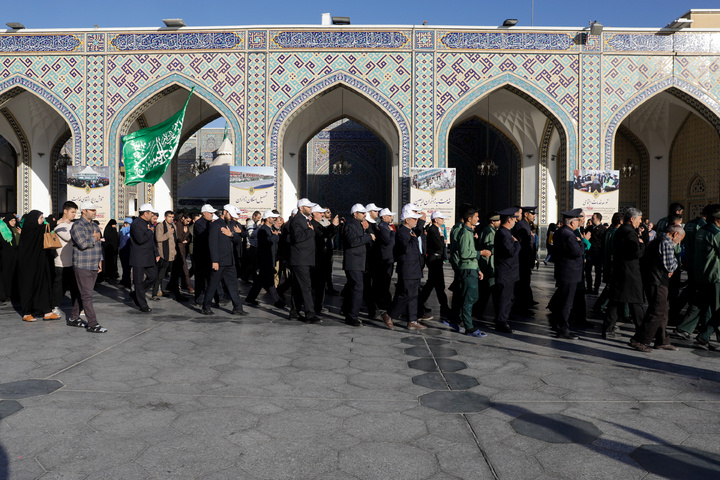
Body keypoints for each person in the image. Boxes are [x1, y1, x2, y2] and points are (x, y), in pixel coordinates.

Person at [631, 225, 684, 352]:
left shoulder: (657, 240)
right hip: (658, 281)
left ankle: (662, 340)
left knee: (663, 311)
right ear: (675, 234)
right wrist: (677, 264)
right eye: (680, 239)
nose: (679, 242)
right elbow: (670, 265)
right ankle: (640, 340)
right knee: (657, 311)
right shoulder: (666, 243)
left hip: (655, 279)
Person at [602, 208, 646, 338]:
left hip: (619, 270)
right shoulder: (630, 234)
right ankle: (642, 332)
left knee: (615, 301)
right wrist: (642, 244)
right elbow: (636, 253)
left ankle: (608, 328)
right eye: (639, 219)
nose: (640, 222)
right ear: (632, 219)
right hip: (630, 273)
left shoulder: (620, 231)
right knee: (636, 303)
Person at [382, 208, 426, 331]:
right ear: (407, 220)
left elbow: (418, 231)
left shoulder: (410, 231)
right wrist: (413, 239)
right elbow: (406, 248)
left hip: (414, 269)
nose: (416, 221)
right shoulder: (402, 232)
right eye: (414, 219)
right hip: (407, 269)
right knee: (405, 295)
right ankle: (389, 314)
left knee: (413, 296)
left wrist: (421, 222)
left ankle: (412, 320)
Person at [446, 205, 486, 337]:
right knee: (468, 297)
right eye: (476, 217)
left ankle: (457, 319)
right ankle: (468, 326)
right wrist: (481, 253)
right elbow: (462, 252)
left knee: (468, 296)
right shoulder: (462, 231)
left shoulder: (467, 231)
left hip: (470, 267)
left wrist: (477, 268)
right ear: (469, 218)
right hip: (465, 268)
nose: (478, 219)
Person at [201, 205, 248, 316]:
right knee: (213, 285)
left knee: (233, 286)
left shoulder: (231, 224)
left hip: (230, 261)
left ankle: (237, 307)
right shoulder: (215, 225)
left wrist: (231, 234)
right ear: (225, 212)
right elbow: (212, 244)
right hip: (220, 262)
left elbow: (237, 240)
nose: (232, 218)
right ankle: (206, 306)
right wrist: (215, 260)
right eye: (230, 215)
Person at [548, 209, 586, 340]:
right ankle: (563, 329)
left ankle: (557, 324)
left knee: (562, 300)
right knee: (566, 303)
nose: (578, 222)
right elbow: (577, 252)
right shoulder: (569, 235)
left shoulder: (560, 232)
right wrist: (581, 241)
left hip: (563, 271)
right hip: (570, 273)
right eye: (577, 220)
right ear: (572, 222)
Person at [69, 202, 107, 333]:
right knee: (87, 295)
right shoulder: (77, 226)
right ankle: (92, 323)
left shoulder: (94, 225)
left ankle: (74, 318)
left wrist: (100, 260)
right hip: (82, 265)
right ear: (84, 211)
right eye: (92, 210)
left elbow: (98, 245)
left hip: (93, 264)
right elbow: (82, 243)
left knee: (83, 293)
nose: (94, 212)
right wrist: (94, 238)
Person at [18, 210, 57, 321]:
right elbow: (41, 229)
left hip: (40, 263)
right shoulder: (29, 229)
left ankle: (47, 311)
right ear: (33, 220)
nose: (42, 220)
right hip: (29, 266)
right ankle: (27, 313)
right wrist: (58, 222)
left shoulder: (37, 230)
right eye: (40, 218)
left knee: (44, 285)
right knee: (29, 287)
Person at [342, 204, 375, 327]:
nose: (364, 215)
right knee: (357, 288)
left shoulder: (359, 225)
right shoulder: (350, 225)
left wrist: (366, 232)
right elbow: (353, 242)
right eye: (362, 213)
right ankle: (352, 316)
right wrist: (368, 236)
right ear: (355, 214)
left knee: (353, 288)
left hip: (359, 262)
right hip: (353, 263)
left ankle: (347, 311)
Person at [692, 207, 720, 351]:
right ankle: (705, 335)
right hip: (715, 275)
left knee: (709, 307)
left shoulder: (701, 231)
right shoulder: (716, 233)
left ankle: (705, 336)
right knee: (717, 308)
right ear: (717, 220)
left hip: (702, 274)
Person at [245, 210, 285, 309]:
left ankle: (250, 298)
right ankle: (277, 301)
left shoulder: (269, 228)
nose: (274, 219)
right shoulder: (263, 230)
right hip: (265, 259)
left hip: (268, 258)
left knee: (260, 281)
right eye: (273, 218)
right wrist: (275, 236)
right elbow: (267, 243)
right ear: (268, 219)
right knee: (270, 281)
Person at [288, 198, 318, 323]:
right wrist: (310, 231)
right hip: (300, 260)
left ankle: (294, 312)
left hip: (304, 259)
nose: (311, 209)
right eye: (308, 207)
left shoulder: (304, 220)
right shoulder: (297, 220)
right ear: (301, 208)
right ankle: (310, 314)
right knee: (306, 287)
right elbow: (297, 237)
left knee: (297, 287)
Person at [493, 207, 521, 333]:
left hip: (508, 271)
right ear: (509, 219)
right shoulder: (504, 234)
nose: (515, 221)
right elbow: (510, 252)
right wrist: (517, 244)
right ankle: (501, 322)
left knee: (507, 297)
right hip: (506, 272)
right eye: (514, 218)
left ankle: (501, 319)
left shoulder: (504, 232)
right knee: (505, 298)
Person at [51, 201, 80, 319]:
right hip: (61, 262)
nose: (74, 214)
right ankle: (54, 306)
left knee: (74, 286)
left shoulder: (72, 225)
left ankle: (77, 306)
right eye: (72, 212)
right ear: (65, 211)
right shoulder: (60, 225)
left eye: (75, 212)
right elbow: (71, 238)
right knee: (59, 287)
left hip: (72, 261)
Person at [419, 211, 450, 318]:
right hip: (434, 259)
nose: (443, 220)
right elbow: (438, 245)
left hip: (436, 259)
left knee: (433, 284)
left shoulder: (435, 229)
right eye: (441, 219)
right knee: (436, 284)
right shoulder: (433, 230)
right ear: (436, 219)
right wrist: (442, 238)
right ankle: (443, 307)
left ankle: (422, 303)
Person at [129, 204, 159, 313]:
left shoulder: (147, 224)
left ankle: (137, 293)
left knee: (153, 276)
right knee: (138, 281)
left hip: (149, 257)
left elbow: (151, 242)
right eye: (151, 213)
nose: (152, 215)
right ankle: (142, 304)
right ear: (145, 213)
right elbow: (140, 239)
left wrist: (156, 253)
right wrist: (150, 231)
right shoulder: (136, 224)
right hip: (139, 257)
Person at [310, 205, 339, 314]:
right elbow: (321, 235)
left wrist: (334, 226)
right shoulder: (313, 224)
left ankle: (318, 305)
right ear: (314, 214)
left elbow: (328, 234)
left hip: (321, 257)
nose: (323, 215)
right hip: (316, 258)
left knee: (321, 284)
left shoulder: (318, 224)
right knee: (318, 284)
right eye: (320, 213)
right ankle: (316, 306)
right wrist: (332, 225)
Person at [512, 206, 538, 314]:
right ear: (526, 214)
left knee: (524, 284)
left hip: (526, 261)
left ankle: (524, 306)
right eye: (532, 214)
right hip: (522, 261)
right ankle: (521, 308)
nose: (534, 216)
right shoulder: (521, 226)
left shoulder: (526, 226)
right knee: (522, 285)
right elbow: (523, 246)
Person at [474, 212, 499, 319]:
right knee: (486, 291)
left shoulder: (490, 230)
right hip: (488, 265)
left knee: (485, 291)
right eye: (498, 220)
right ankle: (478, 312)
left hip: (488, 265)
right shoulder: (489, 232)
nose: (500, 222)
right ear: (492, 222)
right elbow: (488, 249)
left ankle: (478, 311)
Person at [193, 205, 217, 305]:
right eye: (210, 213)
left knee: (209, 277)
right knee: (200, 278)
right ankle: (199, 298)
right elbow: (205, 236)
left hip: (208, 255)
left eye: (213, 213)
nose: (212, 215)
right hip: (200, 255)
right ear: (204, 213)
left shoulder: (210, 223)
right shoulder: (199, 224)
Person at [152, 211, 177, 300]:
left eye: (172, 217)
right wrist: (169, 233)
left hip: (172, 255)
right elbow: (159, 238)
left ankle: (162, 290)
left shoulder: (173, 226)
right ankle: (154, 292)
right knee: (160, 275)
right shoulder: (160, 226)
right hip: (164, 254)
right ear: (165, 217)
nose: (171, 218)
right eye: (169, 216)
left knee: (169, 274)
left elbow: (174, 240)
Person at [375, 208, 396, 309]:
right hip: (385, 258)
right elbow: (388, 241)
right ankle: (382, 302)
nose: (392, 218)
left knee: (386, 280)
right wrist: (392, 233)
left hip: (387, 257)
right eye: (390, 216)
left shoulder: (386, 226)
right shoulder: (383, 227)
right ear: (384, 217)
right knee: (384, 281)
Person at [168, 212, 193, 295]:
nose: (188, 223)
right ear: (183, 218)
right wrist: (184, 235)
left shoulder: (186, 226)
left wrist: (187, 239)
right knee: (185, 268)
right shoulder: (178, 225)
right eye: (187, 221)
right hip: (179, 249)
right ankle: (189, 286)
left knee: (177, 269)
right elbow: (179, 237)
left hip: (184, 249)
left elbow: (189, 237)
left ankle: (171, 285)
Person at [585, 213, 605, 294]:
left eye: (593, 218)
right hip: (589, 253)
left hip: (598, 253)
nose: (592, 219)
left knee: (598, 272)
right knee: (588, 271)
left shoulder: (603, 229)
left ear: (598, 219)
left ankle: (596, 289)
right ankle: (589, 287)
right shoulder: (589, 228)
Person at [0, 214, 18, 303]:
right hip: (6, 255)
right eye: (12, 221)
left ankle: (11, 293)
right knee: (6, 274)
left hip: (14, 254)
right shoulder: (3, 230)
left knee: (13, 273)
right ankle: (6, 293)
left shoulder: (15, 229)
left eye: (14, 220)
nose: (14, 222)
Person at [118, 217, 133, 288]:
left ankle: (126, 281)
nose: (125, 224)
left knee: (126, 268)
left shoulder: (126, 230)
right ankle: (126, 282)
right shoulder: (123, 230)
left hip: (127, 251)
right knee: (126, 268)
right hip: (124, 251)